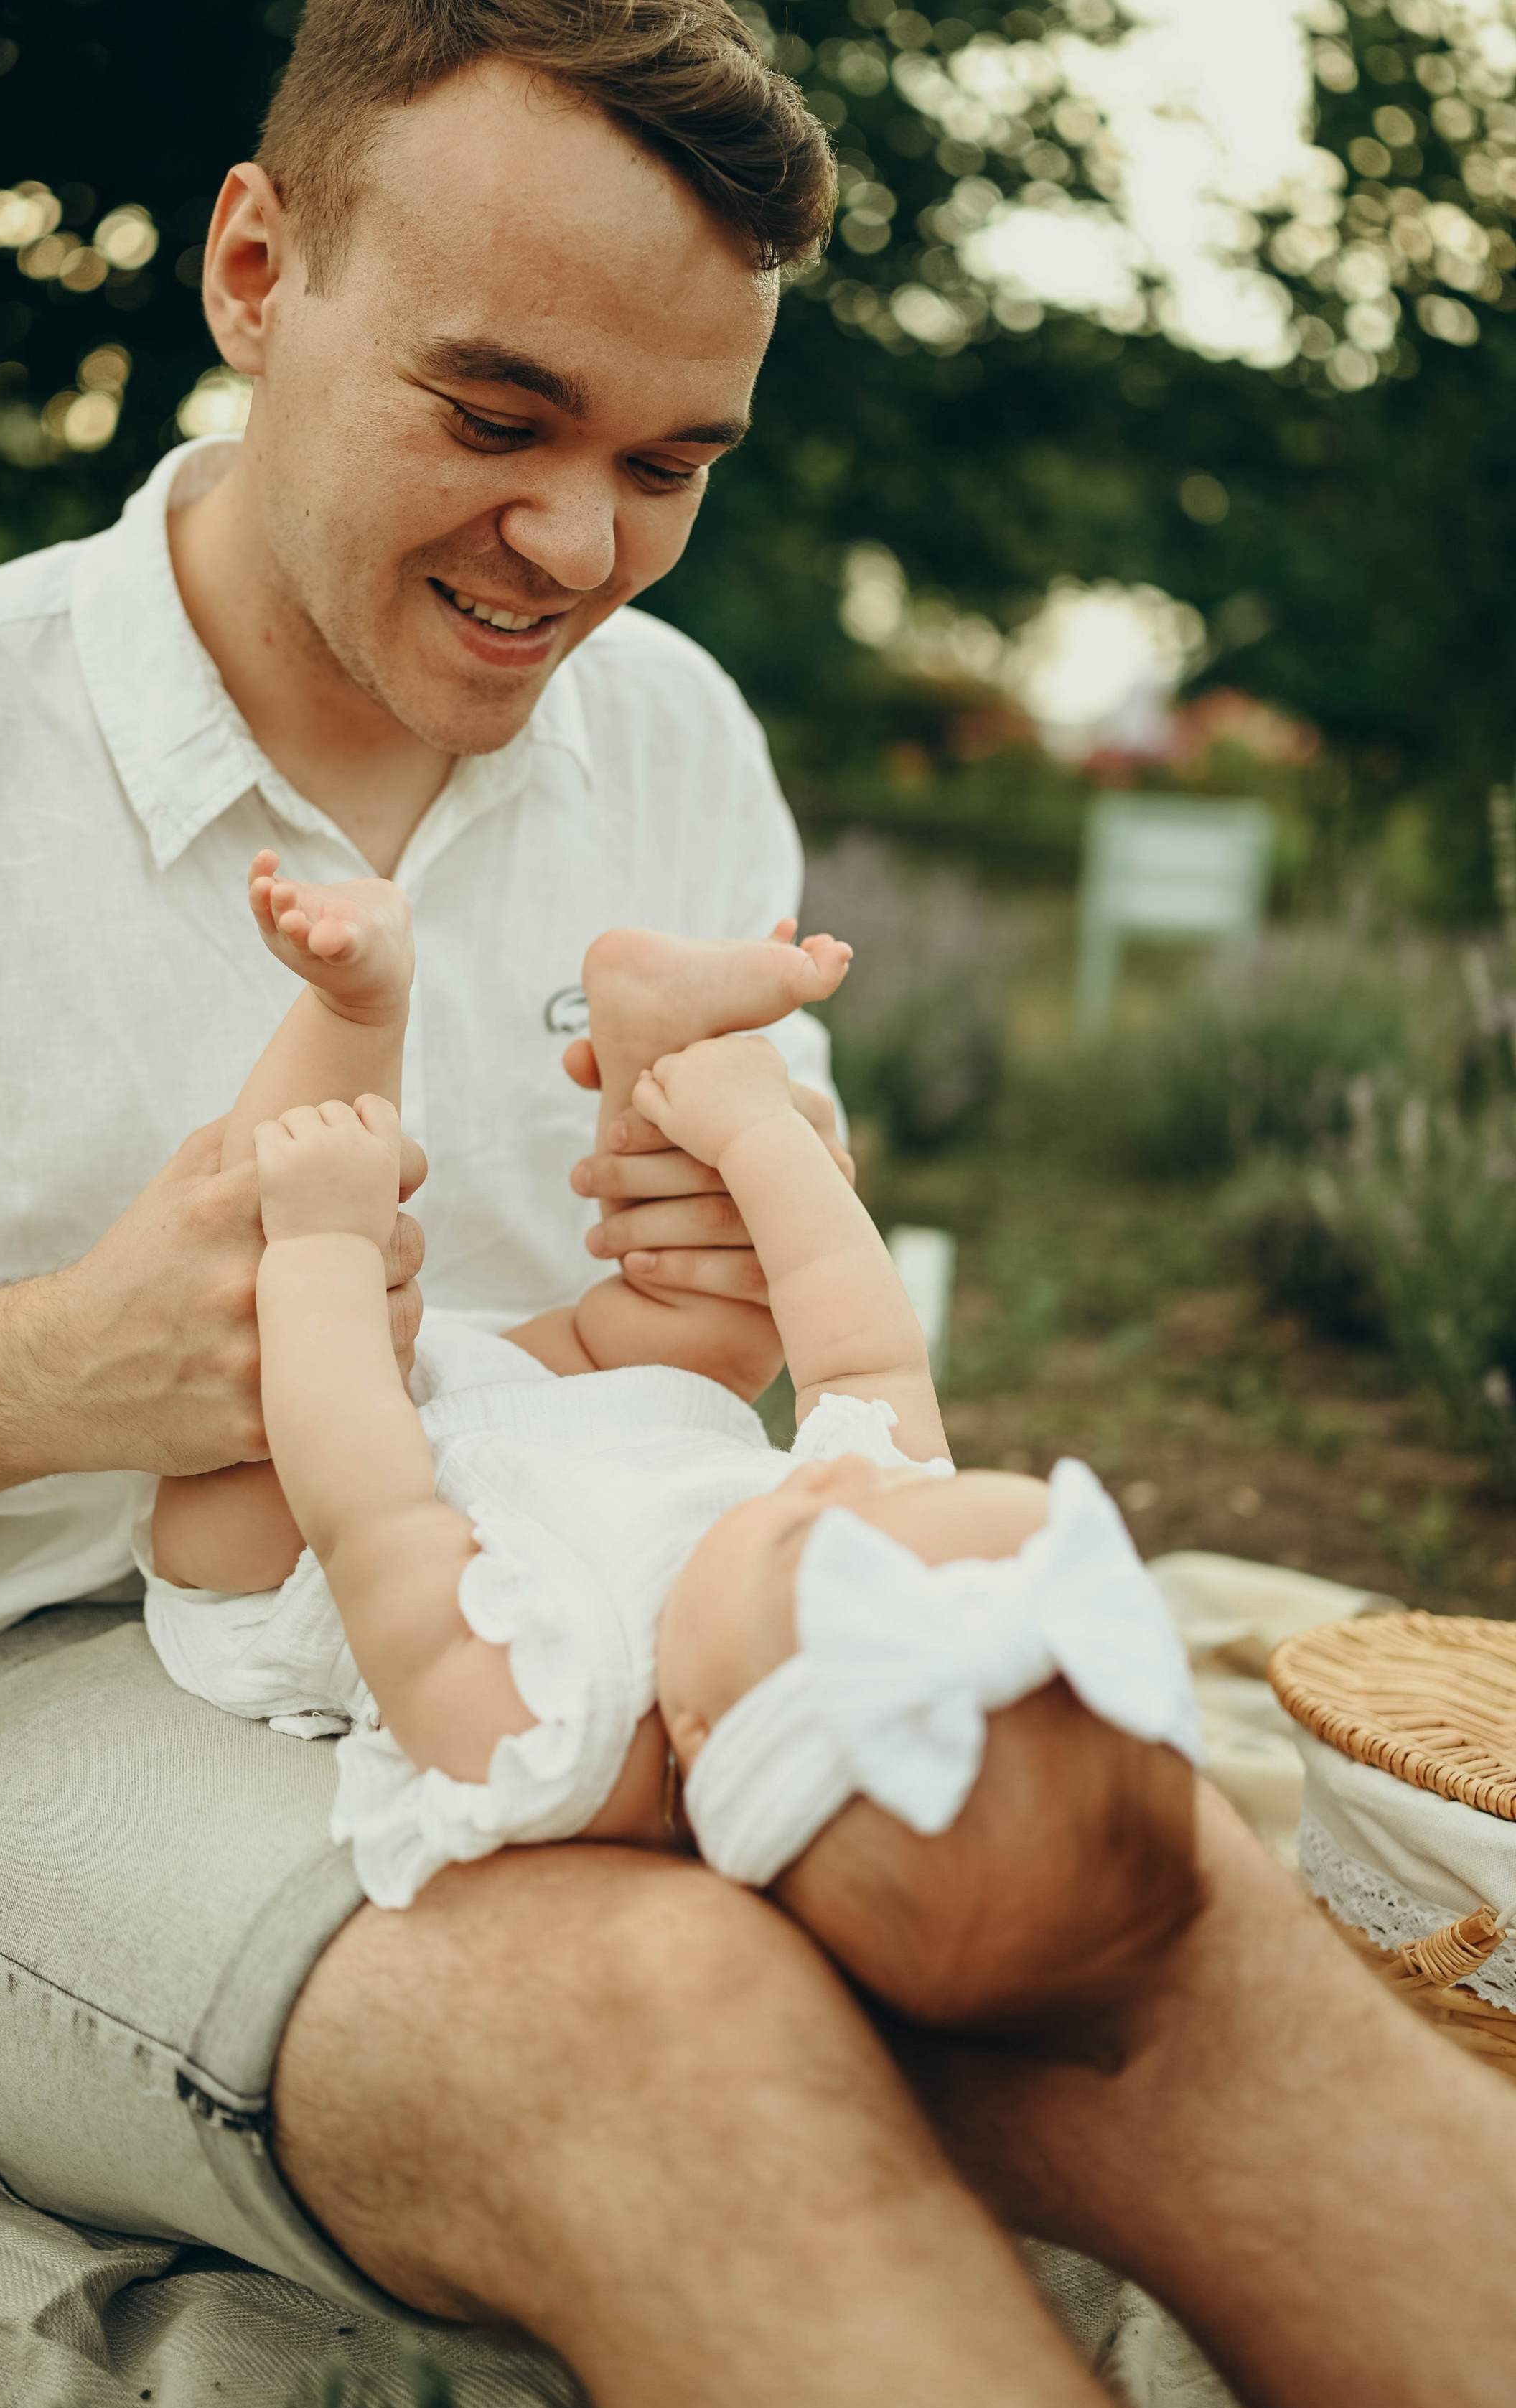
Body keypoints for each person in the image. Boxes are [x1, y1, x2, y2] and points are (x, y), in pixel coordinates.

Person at [0, 0, 1516, 2408]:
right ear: (252, 266)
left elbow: (766, 1316)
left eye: (672, 462)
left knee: (1147, 1905)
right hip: (41, 1703)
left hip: (616, 1613)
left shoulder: (674, 735)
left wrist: (736, 1298)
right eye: (496, 413)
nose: (580, 546)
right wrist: (48, 1368)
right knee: (675, 2024)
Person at [144, 864, 1204, 2061]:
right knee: (728, 1322)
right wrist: (757, 1135)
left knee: (247, 1434)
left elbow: (371, 1519)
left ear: (695, 1733)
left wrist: (331, 1242)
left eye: (817, 1527)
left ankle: (350, 1013)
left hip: (342, 1497)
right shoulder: (867, 1543)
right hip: (587, 1404)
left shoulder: (556, 1733)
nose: (837, 1477)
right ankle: (655, 1045)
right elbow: (865, 1364)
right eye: (891, 1500)